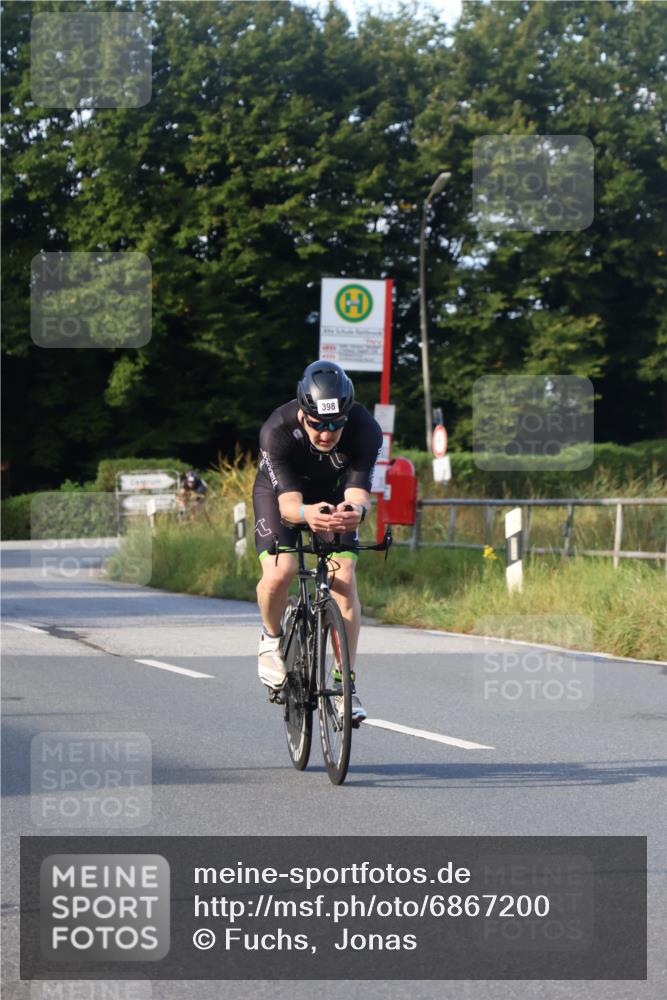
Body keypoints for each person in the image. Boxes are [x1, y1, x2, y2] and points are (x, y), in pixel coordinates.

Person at [253, 360, 382, 725]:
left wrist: (355, 510)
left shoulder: (366, 429)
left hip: (332, 496)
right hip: (282, 495)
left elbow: (358, 491)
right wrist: (307, 514)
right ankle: (270, 637)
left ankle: (345, 685)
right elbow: (289, 506)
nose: (326, 434)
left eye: (335, 425)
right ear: (303, 414)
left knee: (344, 576)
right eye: (317, 424)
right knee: (282, 570)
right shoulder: (277, 429)